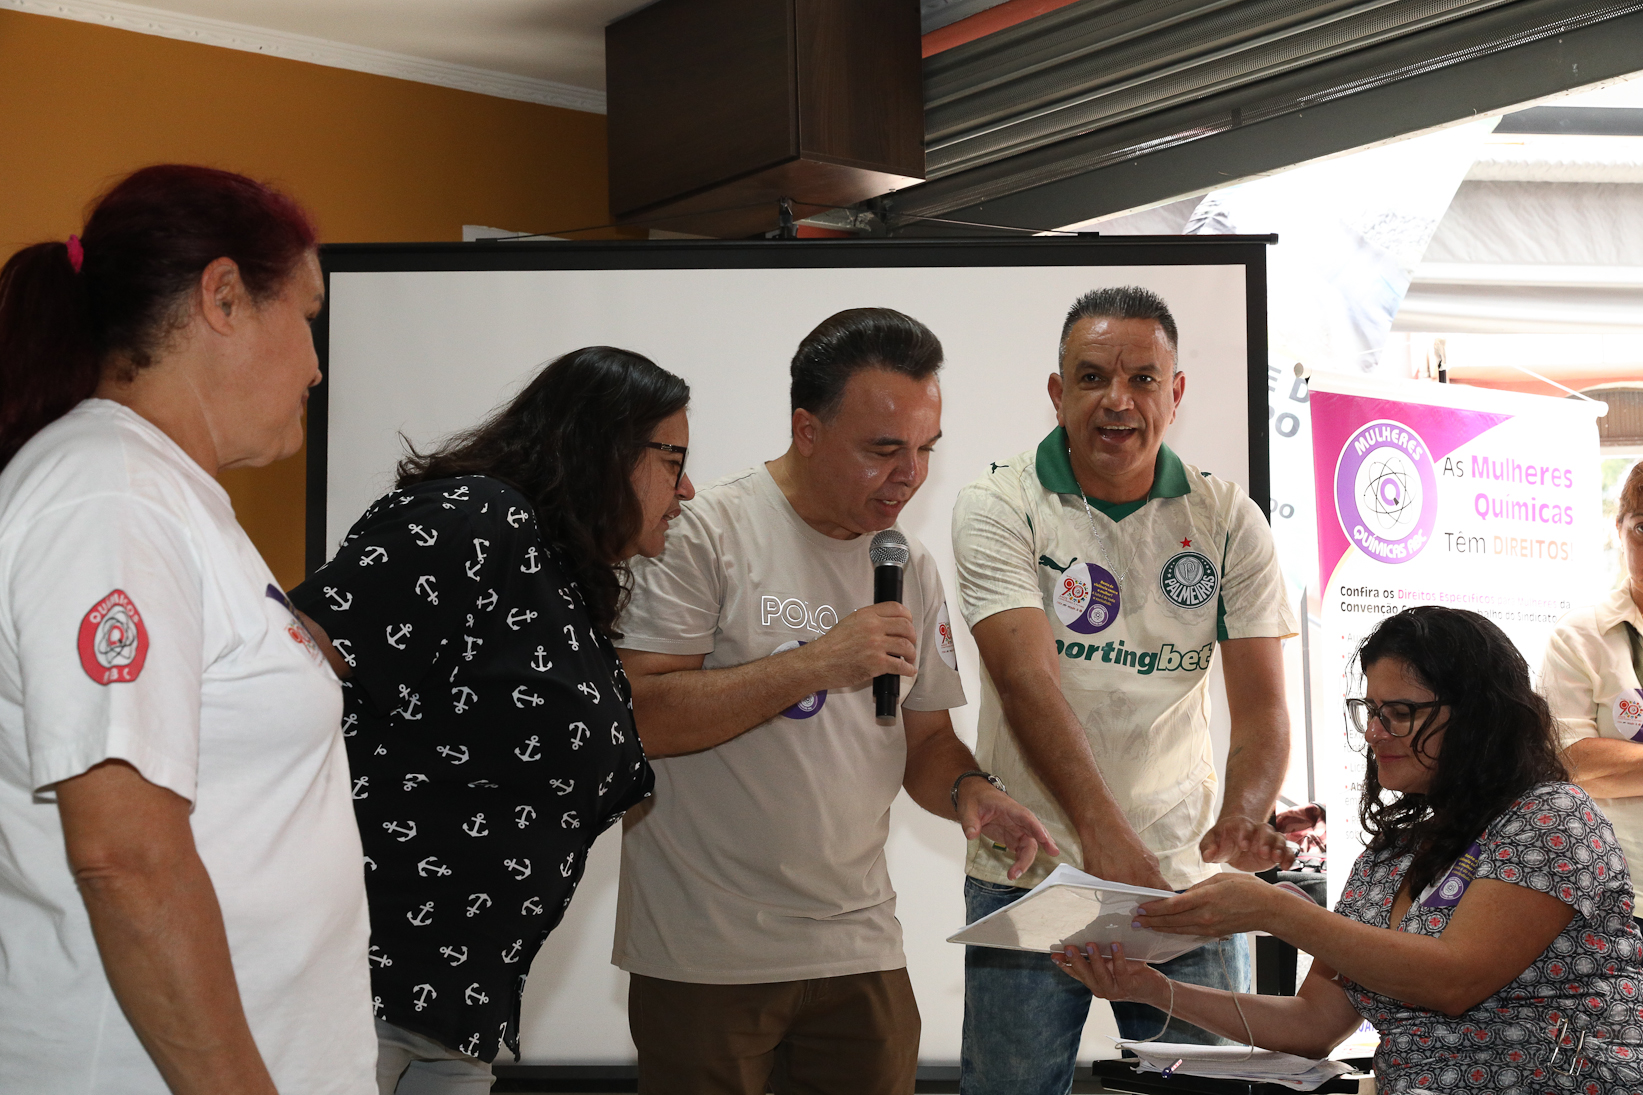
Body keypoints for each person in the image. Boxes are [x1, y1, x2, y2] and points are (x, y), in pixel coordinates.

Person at [614, 307, 1057, 1095]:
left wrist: (970, 790)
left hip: (859, 950)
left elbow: (924, 744)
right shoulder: (700, 532)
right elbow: (640, 718)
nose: (909, 474)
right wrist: (816, 663)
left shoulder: (907, 564)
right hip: (706, 952)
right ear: (806, 430)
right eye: (883, 449)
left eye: (924, 450)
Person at [0, 165, 374, 1094]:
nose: (317, 365)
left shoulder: (165, 495)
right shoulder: (111, 495)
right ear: (223, 297)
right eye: (309, 317)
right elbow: (124, 853)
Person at [290, 347, 687, 1092]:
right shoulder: (478, 516)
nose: (687, 487)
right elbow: (292, 667)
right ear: (604, 448)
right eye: (674, 459)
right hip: (362, 984)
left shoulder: (564, 580)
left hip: (456, 1012)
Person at [1057, 606, 1643, 1093]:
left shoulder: (1550, 819)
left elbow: (1454, 980)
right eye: (1370, 711)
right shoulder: (1391, 856)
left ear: (1478, 716)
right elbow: (1316, 1023)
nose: (1374, 731)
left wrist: (1281, 913)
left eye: (1400, 713)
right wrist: (1148, 988)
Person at [951, 285, 1297, 1092]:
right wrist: (1101, 838)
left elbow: (1263, 707)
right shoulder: (999, 504)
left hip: (1183, 884)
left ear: (1174, 395)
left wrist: (1243, 817)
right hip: (1031, 874)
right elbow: (1026, 680)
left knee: (1211, 1086)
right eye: (1091, 376)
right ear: (1056, 391)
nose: (1117, 400)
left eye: (1143, 379)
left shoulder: (1225, 518)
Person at [1542, 460, 1643, 924]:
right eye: (1642, 528)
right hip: (1618, 890)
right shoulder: (1581, 635)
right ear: (1617, 528)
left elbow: (1594, 764)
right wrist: (1591, 765)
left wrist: (1616, 766)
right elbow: (1568, 761)